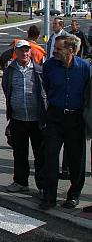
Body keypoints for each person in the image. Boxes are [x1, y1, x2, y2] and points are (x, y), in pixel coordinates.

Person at [41, 35, 89, 210]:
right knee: (50, 156)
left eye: (59, 49)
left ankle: (74, 195)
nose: (54, 51)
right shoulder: (49, 66)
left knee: (76, 158)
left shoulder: (84, 67)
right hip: (55, 116)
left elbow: (87, 91)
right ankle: (49, 197)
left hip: (75, 118)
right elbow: (47, 86)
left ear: (71, 51)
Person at [2, 41, 46, 194]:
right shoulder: (10, 70)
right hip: (17, 118)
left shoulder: (38, 70)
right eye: (21, 51)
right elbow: (6, 88)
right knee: (19, 152)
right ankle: (21, 181)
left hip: (37, 119)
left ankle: (42, 185)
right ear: (16, 52)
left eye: (27, 51)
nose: (25, 54)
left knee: (40, 153)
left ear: (30, 52)